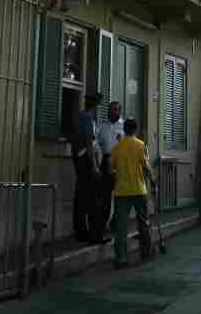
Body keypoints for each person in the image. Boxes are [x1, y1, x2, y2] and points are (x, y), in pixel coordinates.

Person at [110, 118, 154, 269]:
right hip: (138, 190)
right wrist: (153, 182)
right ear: (135, 129)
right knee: (143, 223)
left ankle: (120, 258)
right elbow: (146, 167)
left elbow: (112, 169)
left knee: (121, 227)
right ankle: (146, 252)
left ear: (124, 129)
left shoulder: (116, 147)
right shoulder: (141, 145)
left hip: (121, 191)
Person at [73, 93, 107, 243]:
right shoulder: (88, 118)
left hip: (80, 158)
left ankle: (81, 231)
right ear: (96, 105)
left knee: (81, 196)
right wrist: (94, 166)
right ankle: (94, 235)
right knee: (93, 198)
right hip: (86, 160)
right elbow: (89, 143)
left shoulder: (80, 116)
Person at [92, 100, 125, 240]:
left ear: (120, 111)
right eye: (111, 109)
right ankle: (100, 229)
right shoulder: (102, 127)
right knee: (104, 200)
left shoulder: (124, 127)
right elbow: (95, 145)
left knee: (121, 199)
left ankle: (115, 224)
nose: (113, 112)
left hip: (120, 164)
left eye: (116, 109)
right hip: (105, 163)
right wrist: (97, 162)